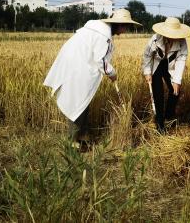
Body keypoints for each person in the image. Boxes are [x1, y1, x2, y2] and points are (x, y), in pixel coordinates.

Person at [43, 9, 141, 149]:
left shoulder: (94, 29)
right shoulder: (103, 36)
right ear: (118, 24)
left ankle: (82, 137)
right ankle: (73, 142)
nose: (125, 30)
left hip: (74, 65)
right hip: (77, 69)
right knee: (78, 103)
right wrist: (112, 73)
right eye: (125, 26)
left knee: (81, 101)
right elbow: (100, 59)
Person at [141, 17, 190, 133]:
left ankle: (169, 116)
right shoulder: (155, 38)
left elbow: (181, 59)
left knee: (175, 91)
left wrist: (177, 81)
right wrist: (147, 72)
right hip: (157, 64)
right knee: (158, 93)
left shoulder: (182, 41)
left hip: (171, 66)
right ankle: (160, 124)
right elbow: (147, 55)